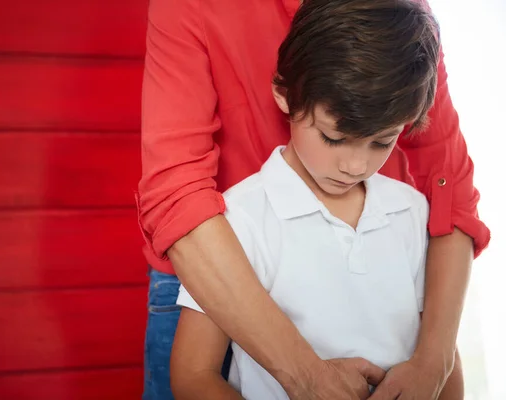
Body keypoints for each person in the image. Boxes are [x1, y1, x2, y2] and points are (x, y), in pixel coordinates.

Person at [137, 0, 490, 399]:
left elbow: (451, 190)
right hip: (212, 255)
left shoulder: (409, 215)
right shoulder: (244, 220)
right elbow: (194, 376)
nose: (357, 165)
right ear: (284, 96)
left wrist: (433, 362)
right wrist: (307, 376)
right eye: (334, 138)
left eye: (383, 141)